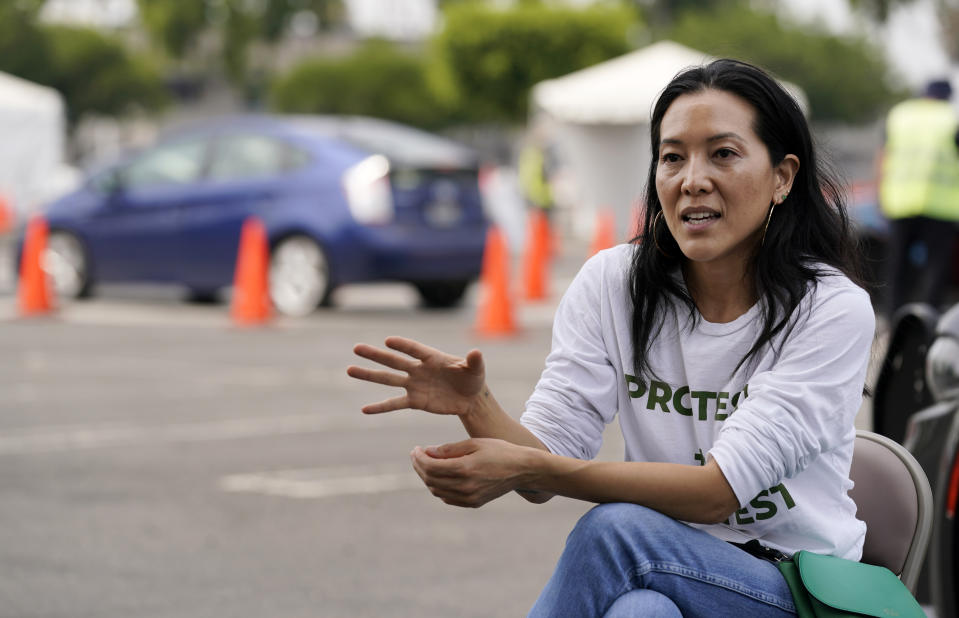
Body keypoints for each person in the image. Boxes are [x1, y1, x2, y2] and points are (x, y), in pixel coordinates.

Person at [347, 58, 873, 617]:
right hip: (663, 568)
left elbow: (718, 492)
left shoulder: (831, 309)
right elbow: (543, 467)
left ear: (782, 177)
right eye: (672, 157)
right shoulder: (612, 284)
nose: (692, 178)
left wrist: (532, 468)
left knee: (615, 530)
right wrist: (476, 406)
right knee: (639, 612)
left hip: (795, 589)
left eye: (723, 153)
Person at [879, 78, 959, 317]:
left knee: (896, 267)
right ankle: (926, 322)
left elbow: (883, 156)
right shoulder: (951, 118)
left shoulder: (900, 115)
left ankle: (892, 319)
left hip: (899, 202)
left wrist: (880, 194)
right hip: (940, 206)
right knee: (935, 269)